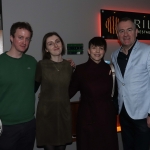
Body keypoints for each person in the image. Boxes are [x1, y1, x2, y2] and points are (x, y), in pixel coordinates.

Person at [69, 37, 119, 150]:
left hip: (107, 119)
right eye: (94, 48)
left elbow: (116, 94)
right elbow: (69, 92)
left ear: (104, 51)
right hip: (87, 119)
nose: (97, 51)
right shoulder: (80, 70)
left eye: (101, 48)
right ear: (88, 51)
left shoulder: (111, 69)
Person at [111, 17, 150, 150]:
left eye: (129, 30)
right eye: (121, 31)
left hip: (143, 115)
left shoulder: (147, 51)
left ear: (136, 31)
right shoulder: (114, 55)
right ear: (117, 35)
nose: (125, 34)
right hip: (124, 113)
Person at [0, 22, 37, 150]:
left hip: (29, 124)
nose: (24, 42)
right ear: (11, 37)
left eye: (27, 38)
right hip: (6, 126)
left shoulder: (32, 62)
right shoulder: (1, 62)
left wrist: (65, 63)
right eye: (20, 37)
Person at [35, 32, 73, 150]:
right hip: (46, 116)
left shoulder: (69, 66)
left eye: (57, 41)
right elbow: (33, 87)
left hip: (63, 115)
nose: (55, 45)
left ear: (62, 43)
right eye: (50, 44)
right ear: (46, 49)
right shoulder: (41, 65)